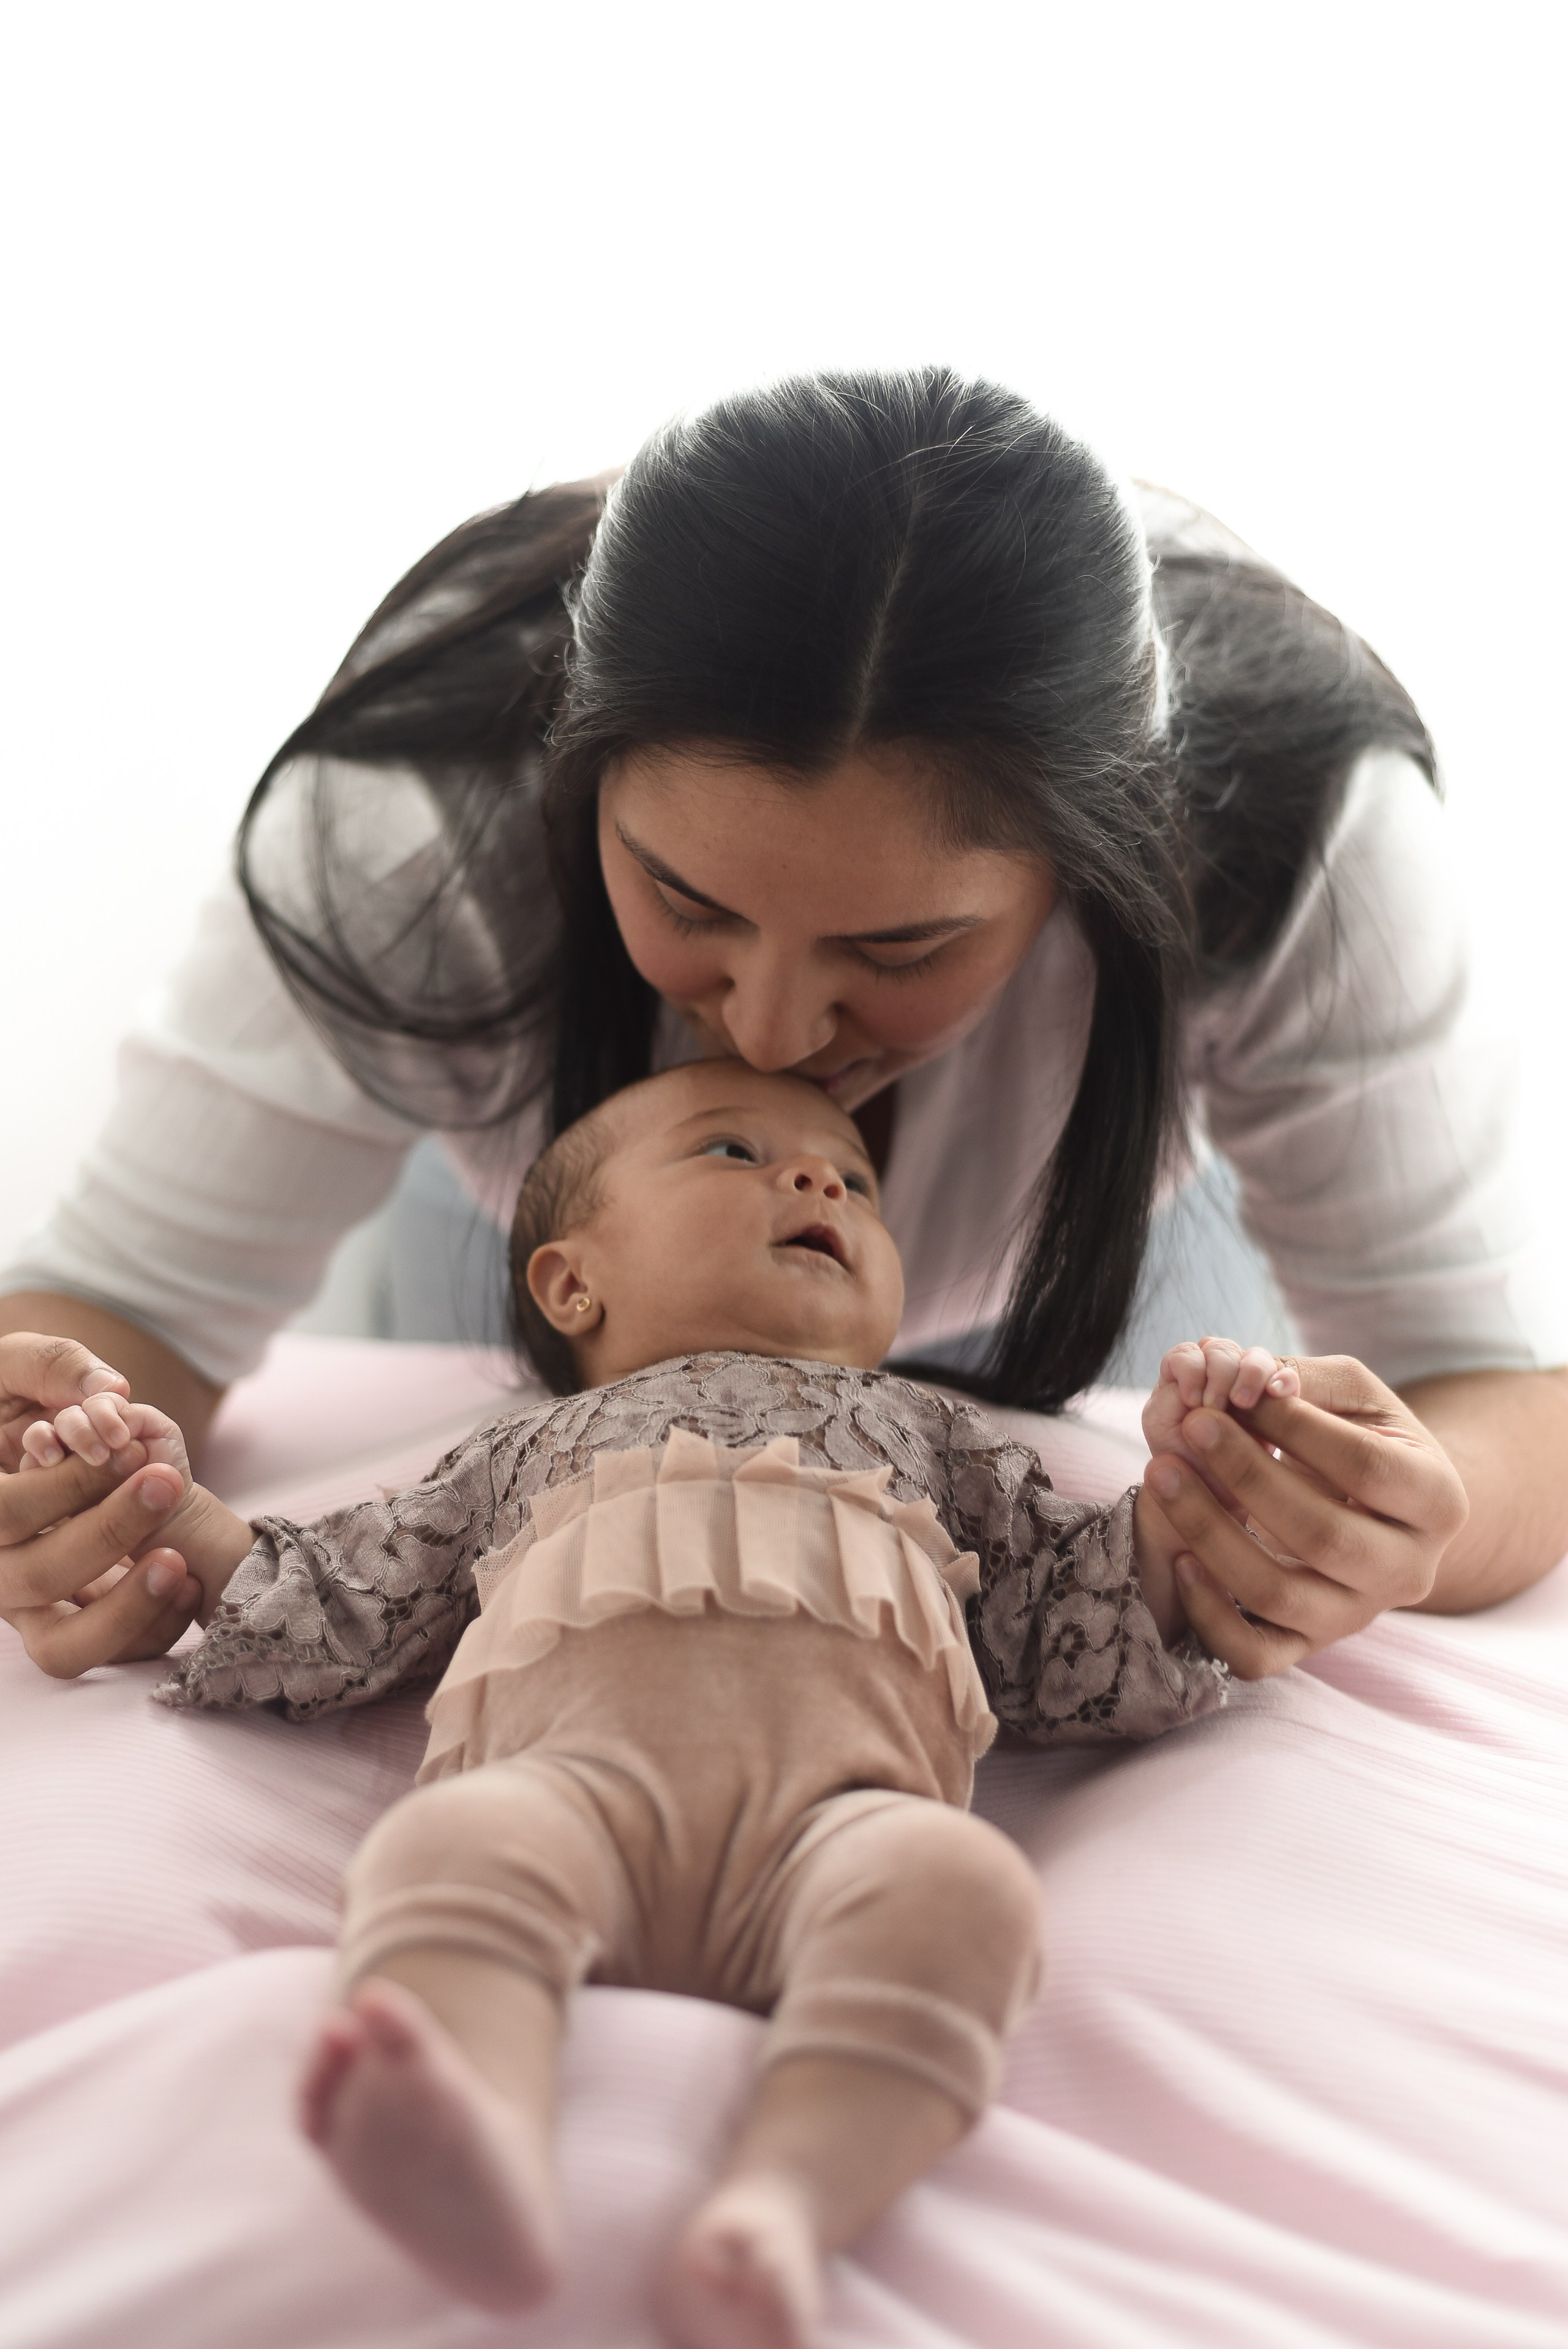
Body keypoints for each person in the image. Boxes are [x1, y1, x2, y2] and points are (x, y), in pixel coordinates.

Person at [2, 369, 1563, 1683]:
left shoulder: (1293, 845)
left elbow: (1489, 1384)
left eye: (899, 946)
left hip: (1098, 1238)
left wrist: (1390, 1522)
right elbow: (137, 1299)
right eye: (684, 899)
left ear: (1095, 871)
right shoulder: (413, 840)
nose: (765, 1022)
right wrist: (54, 1453)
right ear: (574, 768)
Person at [17, 1059, 1411, 2347]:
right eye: (736, 1150)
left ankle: (787, 2202)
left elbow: (1074, 1615)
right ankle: (477, 2130)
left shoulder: (938, 1439)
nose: (818, 1182)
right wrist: (169, 1509)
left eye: (852, 1181)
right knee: (443, 1855)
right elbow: (333, 1595)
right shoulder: (512, 1450)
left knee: (964, 1893)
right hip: (563, 1797)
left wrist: (1195, 1502)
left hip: (849, 1824)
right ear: (570, 1286)